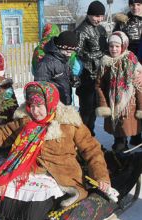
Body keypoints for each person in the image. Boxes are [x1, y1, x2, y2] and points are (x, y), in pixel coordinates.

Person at [0, 81, 114, 220]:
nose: (35, 111)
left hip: (59, 173)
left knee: (37, 200)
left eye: (40, 105)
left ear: (51, 103)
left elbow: (92, 149)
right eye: (31, 105)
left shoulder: (69, 123)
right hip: (29, 166)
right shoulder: (26, 120)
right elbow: (4, 133)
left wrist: (101, 176)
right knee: (4, 177)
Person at [95, 31, 142, 152]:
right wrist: (104, 105)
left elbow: (139, 86)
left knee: (134, 126)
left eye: (117, 46)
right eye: (111, 46)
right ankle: (120, 145)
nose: (114, 49)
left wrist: (140, 107)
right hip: (114, 104)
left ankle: (136, 141)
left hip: (130, 103)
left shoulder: (132, 60)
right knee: (119, 132)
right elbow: (99, 86)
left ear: (124, 46)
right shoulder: (105, 63)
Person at [75, 0, 107, 136]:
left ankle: (90, 137)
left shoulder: (101, 29)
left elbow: (105, 48)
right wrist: (97, 55)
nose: (98, 19)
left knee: (95, 109)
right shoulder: (81, 31)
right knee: (86, 110)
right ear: (88, 15)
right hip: (86, 77)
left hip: (100, 76)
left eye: (101, 16)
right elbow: (77, 52)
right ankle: (82, 141)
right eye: (95, 16)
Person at [113, 0, 142, 146]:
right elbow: (116, 42)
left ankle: (137, 135)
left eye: (139, 4)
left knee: (140, 101)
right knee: (125, 100)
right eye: (133, 4)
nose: (135, 7)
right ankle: (121, 138)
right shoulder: (124, 21)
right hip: (127, 63)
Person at [34, 30, 79, 105]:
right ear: (59, 47)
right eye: (67, 51)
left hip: (64, 102)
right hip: (53, 104)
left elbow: (65, 74)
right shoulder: (46, 63)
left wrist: (72, 78)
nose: (69, 55)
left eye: (71, 52)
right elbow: (40, 86)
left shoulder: (63, 58)